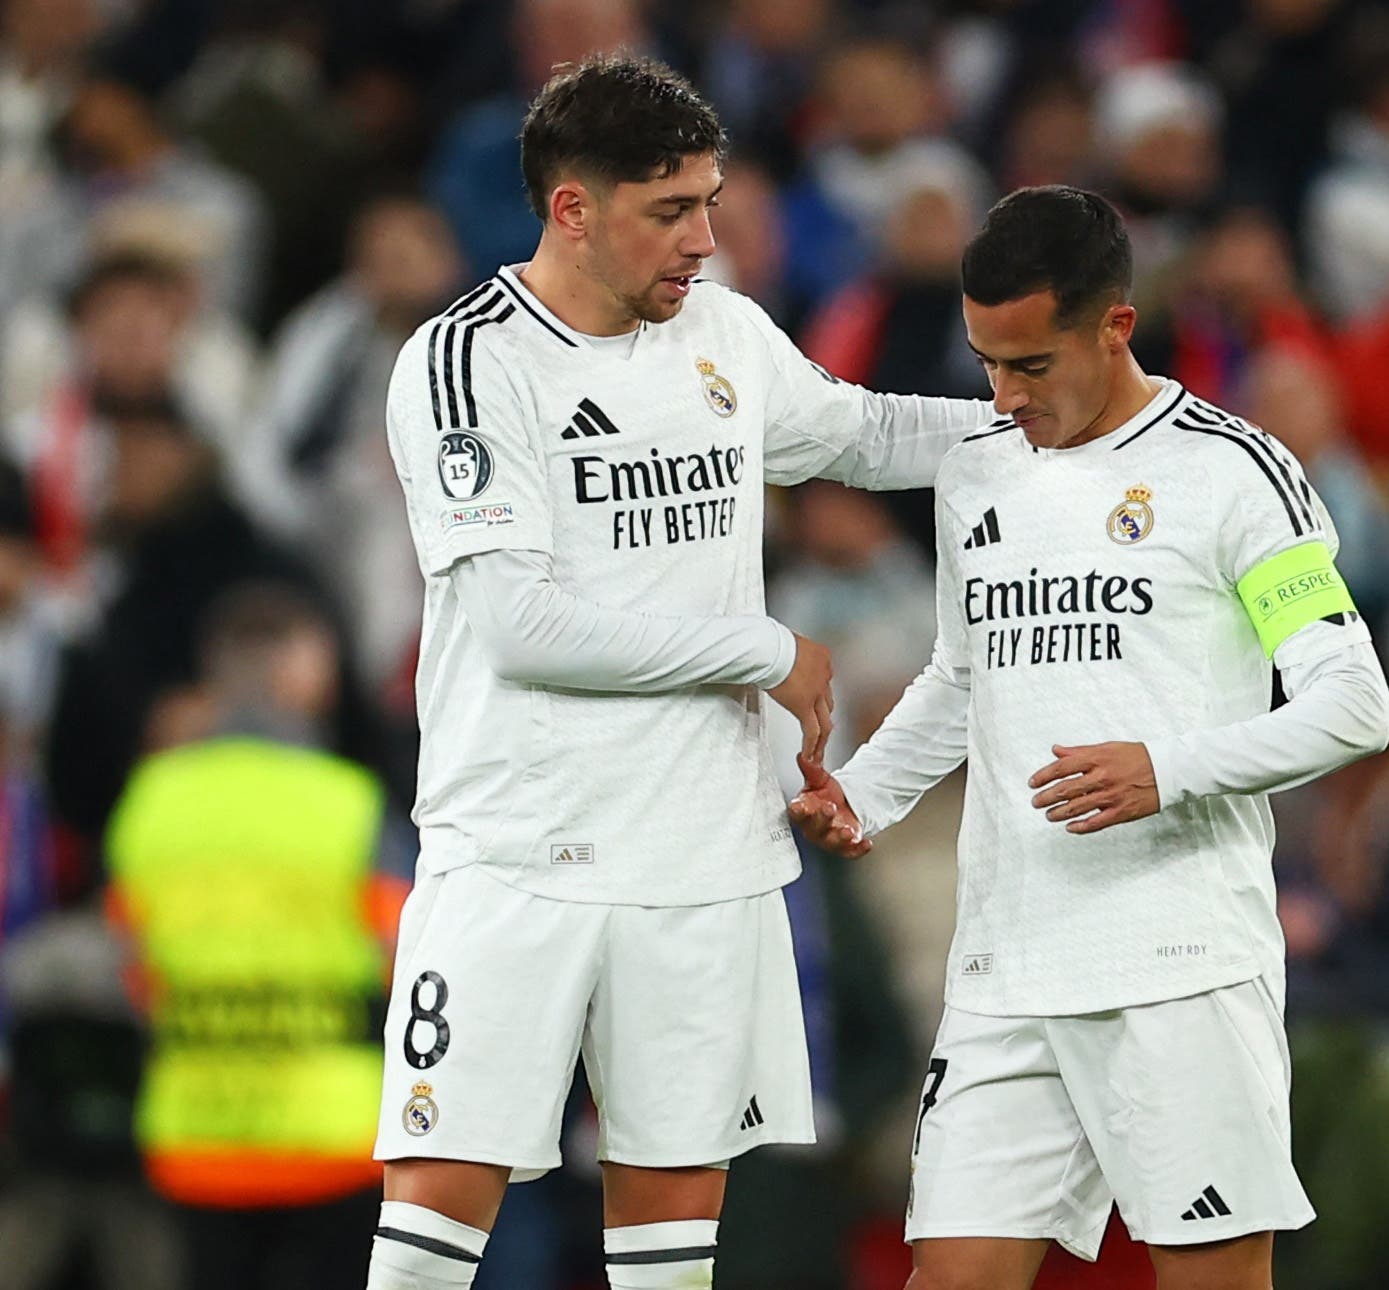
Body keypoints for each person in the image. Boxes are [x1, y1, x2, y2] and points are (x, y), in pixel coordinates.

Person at [368, 55, 990, 1290]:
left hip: (706, 855)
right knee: (440, 1208)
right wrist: (763, 648)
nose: (704, 238)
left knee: (671, 1230)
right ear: (573, 208)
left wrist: (1041, 420)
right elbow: (517, 624)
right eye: (670, 210)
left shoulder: (721, 332)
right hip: (522, 852)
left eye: (709, 201)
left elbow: (857, 432)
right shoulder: (468, 362)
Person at [790, 186, 1389, 1290]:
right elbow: (963, 675)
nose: (1002, 396)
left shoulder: (1231, 472)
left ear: (1113, 325)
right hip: (1004, 964)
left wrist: (1167, 771)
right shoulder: (978, 466)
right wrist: (862, 794)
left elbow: (1351, 702)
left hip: (1176, 962)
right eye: (984, 363)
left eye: (1030, 366)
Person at [106, 582, 406, 1289]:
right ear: (297, 675)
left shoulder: (151, 802)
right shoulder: (349, 805)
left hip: (196, 1136)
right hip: (332, 1139)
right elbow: (410, 964)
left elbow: (130, 969)